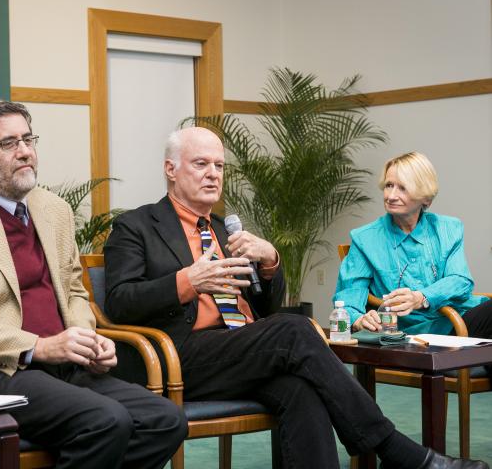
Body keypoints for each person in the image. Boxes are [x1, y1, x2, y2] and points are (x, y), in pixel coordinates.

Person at [104, 127, 488, 469]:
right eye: (201, 164)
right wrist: (187, 280)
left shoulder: (223, 231)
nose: (213, 174)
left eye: (220, 166)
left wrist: (271, 264)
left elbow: (263, 309)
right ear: (171, 169)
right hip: (178, 354)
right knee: (297, 328)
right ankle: (397, 449)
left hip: (237, 349)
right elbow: (120, 301)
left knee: (300, 390)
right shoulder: (135, 226)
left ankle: (397, 453)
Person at [0, 99, 187, 469]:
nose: (25, 152)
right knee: (105, 421)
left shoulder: (53, 209)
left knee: (166, 421)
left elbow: (74, 292)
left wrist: (88, 339)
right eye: (9, 144)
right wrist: (37, 347)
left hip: (66, 365)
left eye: (28, 139)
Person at [334, 152, 491, 340]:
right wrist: (359, 319)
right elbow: (348, 296)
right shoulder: (365, 239)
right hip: (407, 331)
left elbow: (461, 280)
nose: (391, 196)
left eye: (402, 188)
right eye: (389, 185)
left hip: (458, 321)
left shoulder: (448, 229)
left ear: (425, 198)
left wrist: (421, 297)